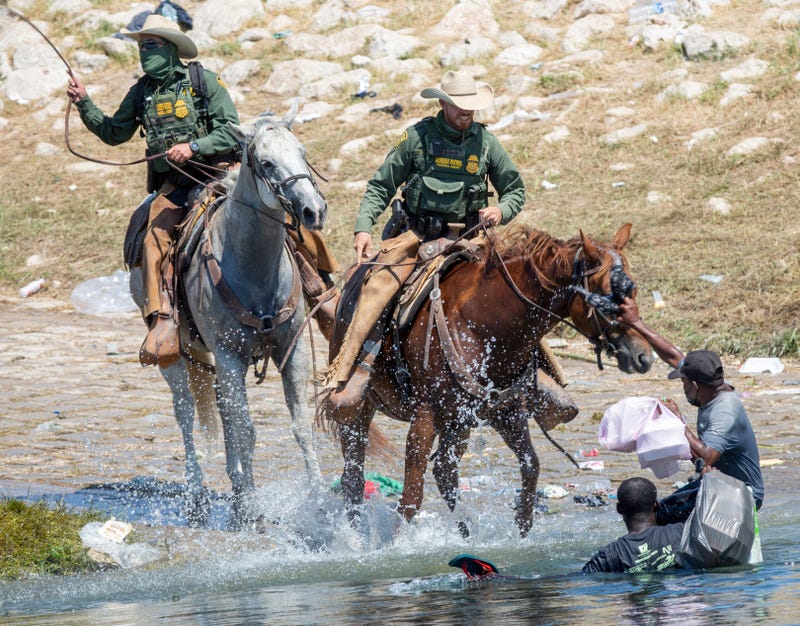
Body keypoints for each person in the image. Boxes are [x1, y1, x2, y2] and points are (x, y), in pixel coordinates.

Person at [325, 69, 526, 405]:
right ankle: (355, 369)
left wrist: (501, 211)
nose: (468, 112)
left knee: (514, 290)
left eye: (471, 106)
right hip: (415, 237)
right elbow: (381, 185)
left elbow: (515, 190)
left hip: (470, 240)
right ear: (444, 103)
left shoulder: (486, 143)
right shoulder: (416, 138)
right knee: (380, 286)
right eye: (461, 105)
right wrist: (363, 227)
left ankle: (541, 375)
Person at [66, 14, 240, 368]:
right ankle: (162, 321)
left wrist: (194, 145)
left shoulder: (203, 82)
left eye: (151, 46)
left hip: (219, 178)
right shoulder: (141, 91)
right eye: (141, 47)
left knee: (281, 215)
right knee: (152, 242)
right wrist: (84, 101)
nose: (144, 53)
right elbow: (115, 132)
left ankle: (320, 289)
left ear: (171, 49)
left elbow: (231, 131)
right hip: (175, 187)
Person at [619, 299, 764, 521]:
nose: (683, 387)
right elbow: (673, 356)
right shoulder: (709, 385)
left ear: (695, 385)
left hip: (743, 494)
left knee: (660, 517)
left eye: (684, 383)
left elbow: (705, 457)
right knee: (659, 510)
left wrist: (678, 421)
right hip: (716, 482)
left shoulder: (725, 411)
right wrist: (636, 322)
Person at [582, 477, 685, 573]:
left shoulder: (609, 556)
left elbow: (581, 578)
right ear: (656, 505)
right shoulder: (681, 532)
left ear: (619, 509)